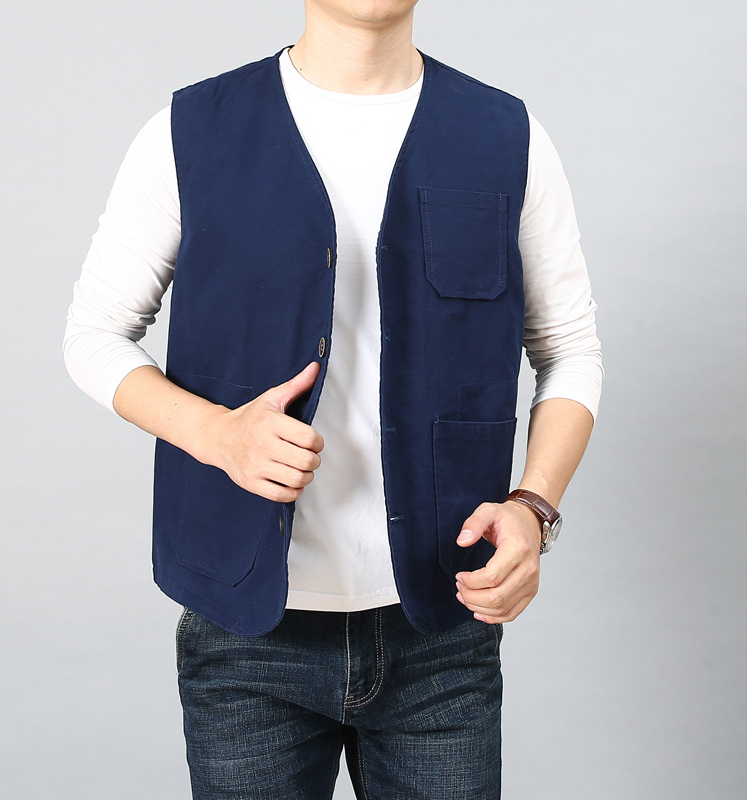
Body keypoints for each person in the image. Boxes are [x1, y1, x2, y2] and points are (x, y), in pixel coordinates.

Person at [64, 1, 602, 797]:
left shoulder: (507, 135)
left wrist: (534, 505)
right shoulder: (191, 129)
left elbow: (570, 350)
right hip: (247, 635)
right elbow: (93, 335)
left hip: (443, 629)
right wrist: (216, 434)